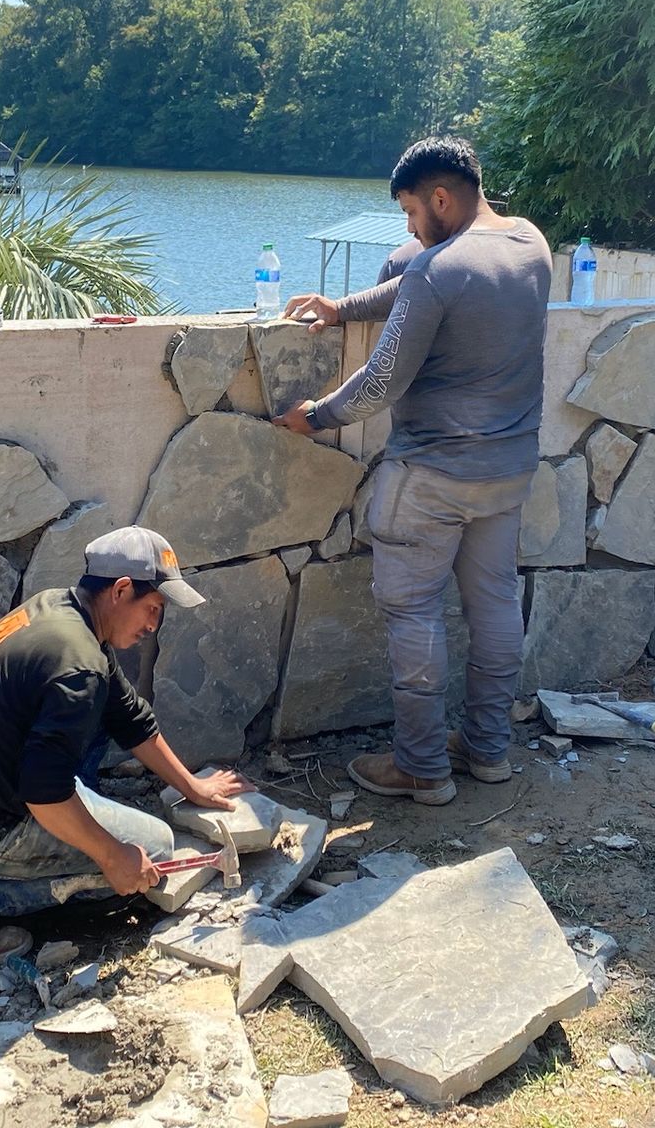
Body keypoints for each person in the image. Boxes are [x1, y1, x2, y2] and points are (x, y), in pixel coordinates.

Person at [275, 136, 551, 806]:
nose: (407, 228)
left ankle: (423, 768)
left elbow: (379, 384)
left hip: (432, 477)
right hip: (507, 471)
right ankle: (487, 753)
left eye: (409, 212)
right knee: (494, 607)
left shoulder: (438, 272)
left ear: (439, 197)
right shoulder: (531, 244)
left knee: (413, 613)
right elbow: (425, 279)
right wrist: (346, 307)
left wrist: (313, 416)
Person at [0, 526, 252, 966]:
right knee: (154, 852)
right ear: (121, 590)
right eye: (152, 608)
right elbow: (44, 793)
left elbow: (128, 715)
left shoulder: (59, 609)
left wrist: (192, 786)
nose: (152, 625)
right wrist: (112, 854)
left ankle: (68, 830)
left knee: (102, 707)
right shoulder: (78, 667)